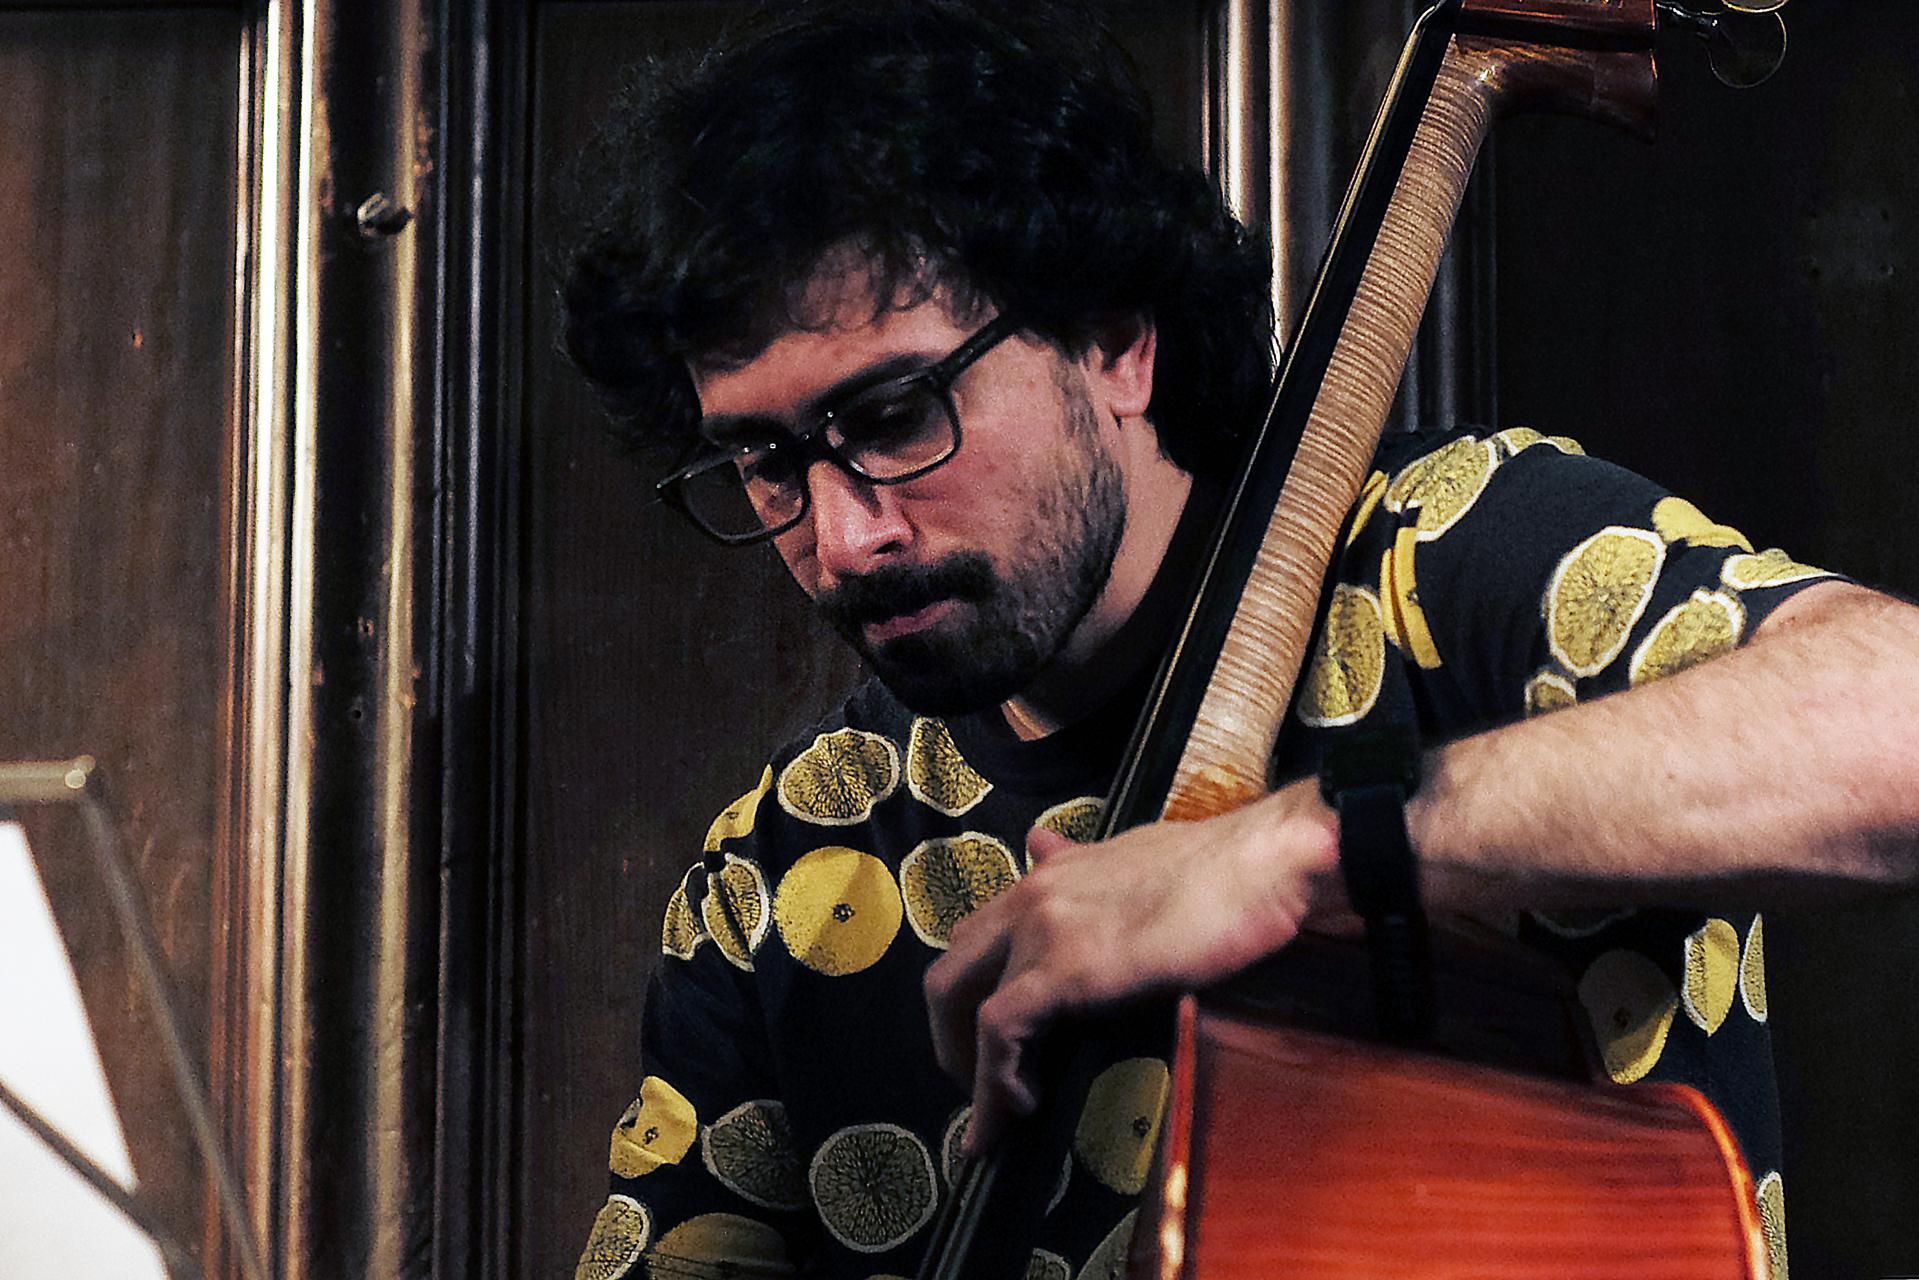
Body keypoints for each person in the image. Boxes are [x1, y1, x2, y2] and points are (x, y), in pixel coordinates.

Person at [557, 3, 1919, 1277]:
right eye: (766, 461)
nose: (844, 536)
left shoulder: (1446, 563)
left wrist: (1296, 849)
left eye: (898, 416)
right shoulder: (787, 871)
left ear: (1116, 343)